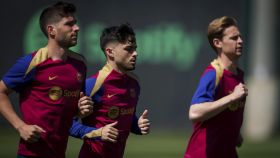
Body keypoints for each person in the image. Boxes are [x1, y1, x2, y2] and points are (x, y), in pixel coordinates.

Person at [0, 1, 94, 158]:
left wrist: (81, 110)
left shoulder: (80, 63)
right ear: (52, 30)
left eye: (75, 23)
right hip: (30, 154)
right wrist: (20, 127)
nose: (76, 28)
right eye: (69, 24)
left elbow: (73, 112)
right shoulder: (31, 62)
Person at [69, 23, 150, 158]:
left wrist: (138, 125)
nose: (135, 53)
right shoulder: (93, 84)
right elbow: (67, 124)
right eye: (128, 49)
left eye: (135, 48)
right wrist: (98, 133)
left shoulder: (134, 83)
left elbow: (126, 120)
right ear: (110, 52)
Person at [184, 16, 248, 158]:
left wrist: (234, 133)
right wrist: (232, 97)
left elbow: (225, 115)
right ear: (218, 43)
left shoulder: (238, 75)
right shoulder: (213, 74)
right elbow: (194, 113)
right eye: (234, 38)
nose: (240, 41)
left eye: (240, 37)